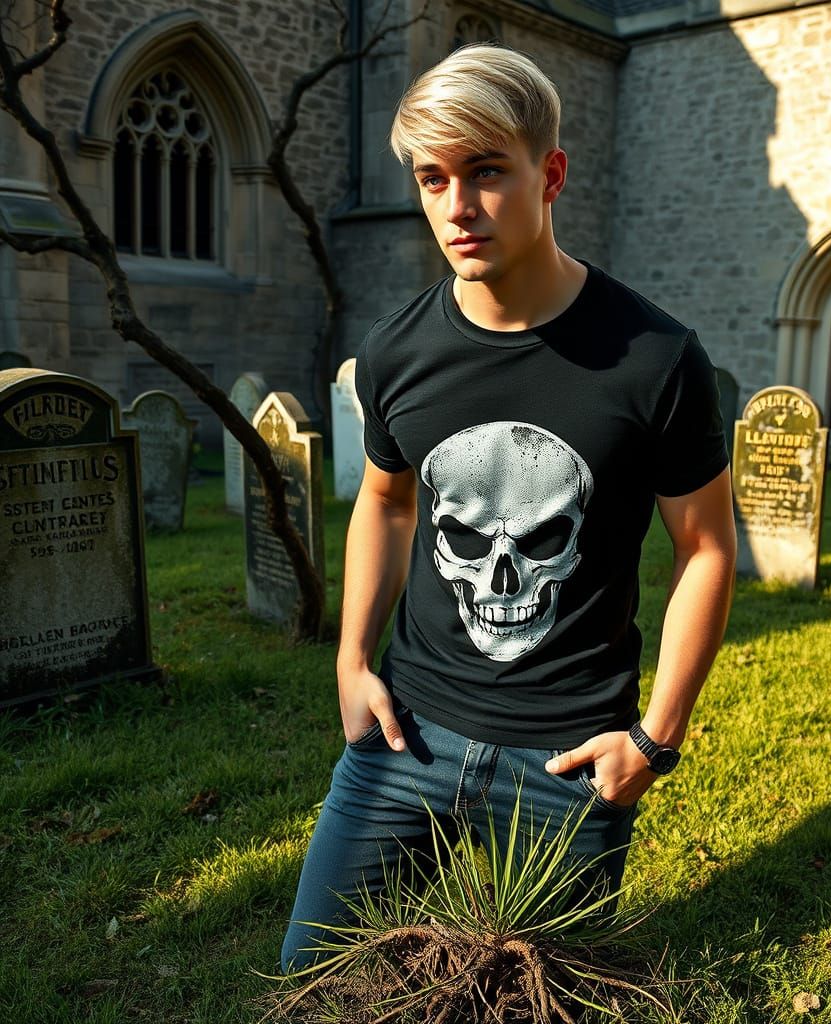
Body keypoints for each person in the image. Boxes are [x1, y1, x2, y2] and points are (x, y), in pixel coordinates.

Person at [280, 42, 737, 972]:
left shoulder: (654, 359)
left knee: (550, 996)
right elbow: (388, 502)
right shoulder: (397, 353)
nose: (457, 207)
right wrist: (351, 660)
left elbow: (706, 550)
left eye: (487, 172)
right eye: (433, 177)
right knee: (315, 979)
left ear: (551, 173)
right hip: (405, 733)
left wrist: (656, 740)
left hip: (571, 765)